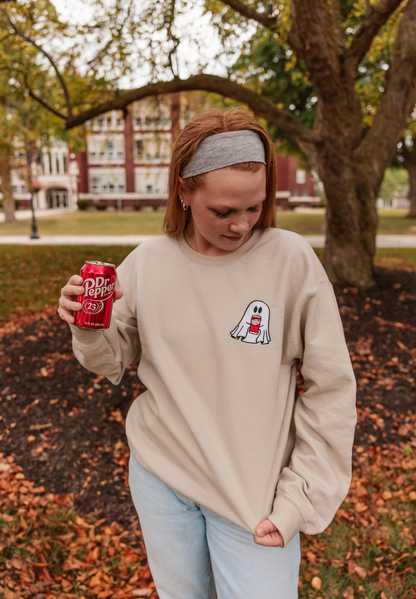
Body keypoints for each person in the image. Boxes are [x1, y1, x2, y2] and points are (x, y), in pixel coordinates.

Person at [58, 108, 356, 599]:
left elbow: (333, 389)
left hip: (253, 495)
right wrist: (86, 324)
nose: (241, 226)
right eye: (223, 211)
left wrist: (301, 498)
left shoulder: (291, 260)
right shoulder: (148, 263)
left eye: (254, 208)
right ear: (183, 190)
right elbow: (110, 359)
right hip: (162, 479)